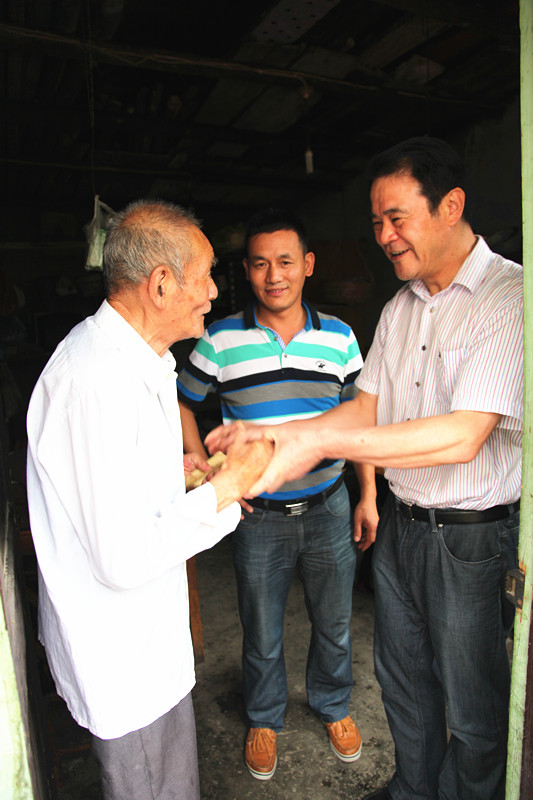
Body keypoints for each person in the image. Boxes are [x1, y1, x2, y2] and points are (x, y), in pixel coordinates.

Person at [206, 138, 523, 800]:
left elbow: (463, 435)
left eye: (395, 218)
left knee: (471, 708)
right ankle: (413, 788)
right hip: (403, 530)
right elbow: (362, 408)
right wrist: (279, 433)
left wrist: (311, 448)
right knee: (403, 684)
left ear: (450, 206)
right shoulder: (400, 307)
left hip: (468, 539)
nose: (382, 236)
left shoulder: (508, 296)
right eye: (376, 221)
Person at [26, 199, 272, 800]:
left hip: (148, 645)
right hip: (124, 661)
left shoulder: (140, 359)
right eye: (205, 276)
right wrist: (227, 487)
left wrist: (181, 474)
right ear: (161, 284)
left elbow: (118, 485)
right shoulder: (96, 383)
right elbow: (122, 556)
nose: (213, 292)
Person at [177, 208, 379, 780]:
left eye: (285, 262)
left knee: (334, 621)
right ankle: (264, 717)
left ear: (307, 265)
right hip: (259, 517)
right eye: (261, 264)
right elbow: (182, 401)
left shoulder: (340, 337)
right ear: (246, 270)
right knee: (261, 629)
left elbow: (360, 422)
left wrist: (366, 495)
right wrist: (206, 471)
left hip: (328, 506)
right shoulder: (219, 339)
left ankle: (333, 705)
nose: (274, 276)